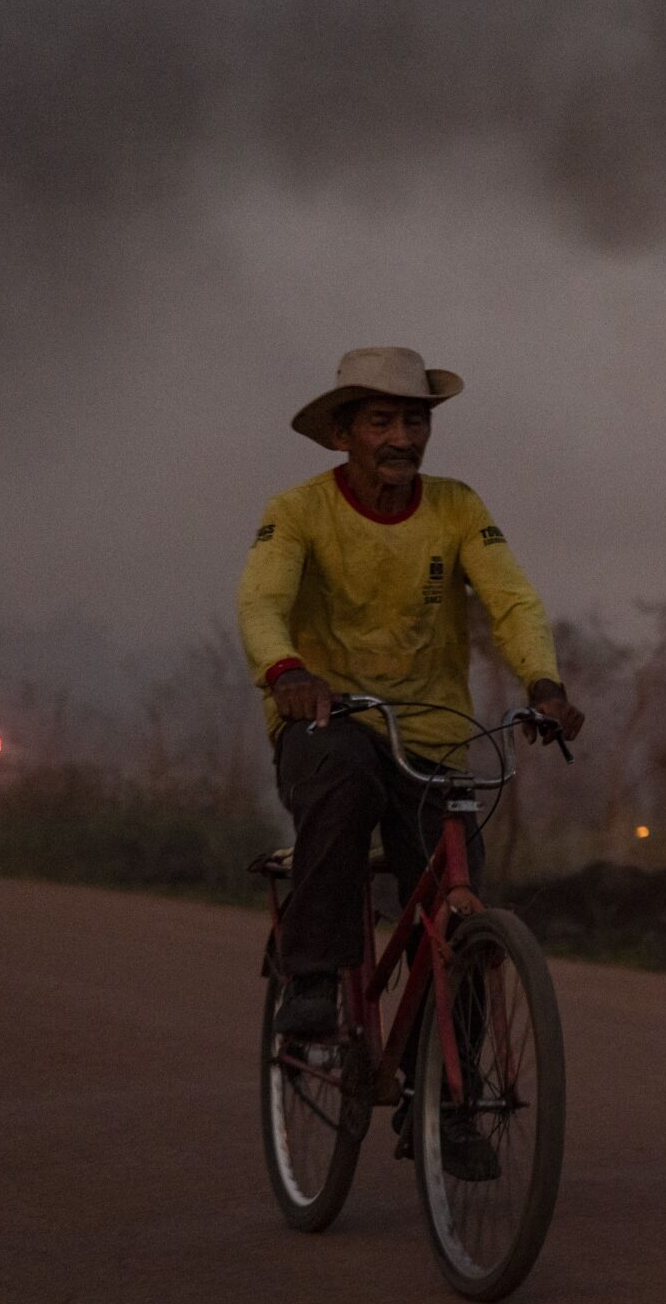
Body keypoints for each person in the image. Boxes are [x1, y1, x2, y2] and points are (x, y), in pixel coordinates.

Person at [236, 346, 585, 1067]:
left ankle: (452, 1110)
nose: (403, 438)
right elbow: (261, 602)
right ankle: (311, 976)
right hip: (326, 719)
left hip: (432, 734)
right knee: (341, 775)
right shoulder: (298, 511)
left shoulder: (458, 506)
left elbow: (511, 599)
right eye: (381, 421)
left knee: (459, 915)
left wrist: (543, 684)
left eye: (416, 421)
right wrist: (288, 671)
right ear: (343, 434)